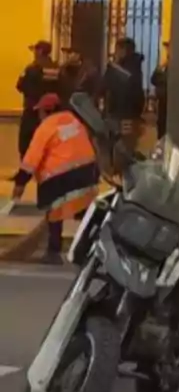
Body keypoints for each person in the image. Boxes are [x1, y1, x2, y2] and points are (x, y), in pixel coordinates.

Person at [9, 93, 100, 264]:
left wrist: (20, 183)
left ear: (46, 111)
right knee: (83, 212)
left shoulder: (46, 127)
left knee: (54, 211)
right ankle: (90, 249)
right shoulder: (73, 120)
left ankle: (53, 251)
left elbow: (31, 160)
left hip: (61, 178)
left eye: (40, 111)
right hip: (88, 172)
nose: (39, 115)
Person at [100, 37, 146, 160]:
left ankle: (118, 173)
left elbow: (103, 87)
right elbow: (138, 94)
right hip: (132, 115)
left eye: (116, 49)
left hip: (117, 114)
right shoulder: (136, 67)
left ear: (123, 51)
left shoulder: (116, 70)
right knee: (127, 148)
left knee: (118, 150)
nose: (114, 53)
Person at [15, 41, 61, 158]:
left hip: (33, 109)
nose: (34, 53)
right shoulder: (56, 68)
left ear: (40, 51)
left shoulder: (32, 68)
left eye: (35, 50)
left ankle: (26, 169)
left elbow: (20, 85)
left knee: (26, 141)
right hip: (51, 111)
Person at [150, 41, 169, 140]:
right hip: (162, 103)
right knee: (161, 128)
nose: (168, 52)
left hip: (172, 104)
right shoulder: (164, 66)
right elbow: (153, 79)